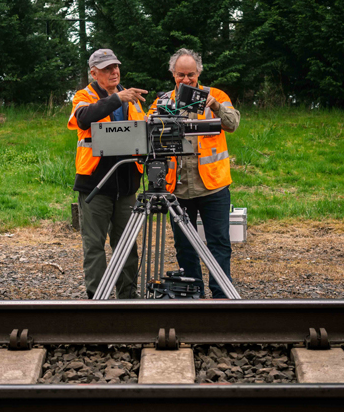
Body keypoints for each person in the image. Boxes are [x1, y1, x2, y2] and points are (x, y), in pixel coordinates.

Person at [149, 48, 240, 298]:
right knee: (185, 248)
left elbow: (233, 123)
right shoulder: (162, 101)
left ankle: (221, 296)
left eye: (191, 74)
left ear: (199, 72)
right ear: (173, 74)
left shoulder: (216, 95)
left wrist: (217, 107)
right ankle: (193, 296)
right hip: (177, 189)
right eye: (181, 75)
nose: (186, 80)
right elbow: (145, 134)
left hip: (213, 187)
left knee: (219, 243)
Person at [68, 48, 149, 299]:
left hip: (126, 186)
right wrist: (117, 99)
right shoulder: (84, 96)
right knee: (94, 246)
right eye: (106, 69)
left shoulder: (132, 98)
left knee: (127, 246)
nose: (114, 72)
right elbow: (83, 118)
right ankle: (98, 301)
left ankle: (128, 298)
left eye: (116, 67)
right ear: (93, 73)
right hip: (95, 185)